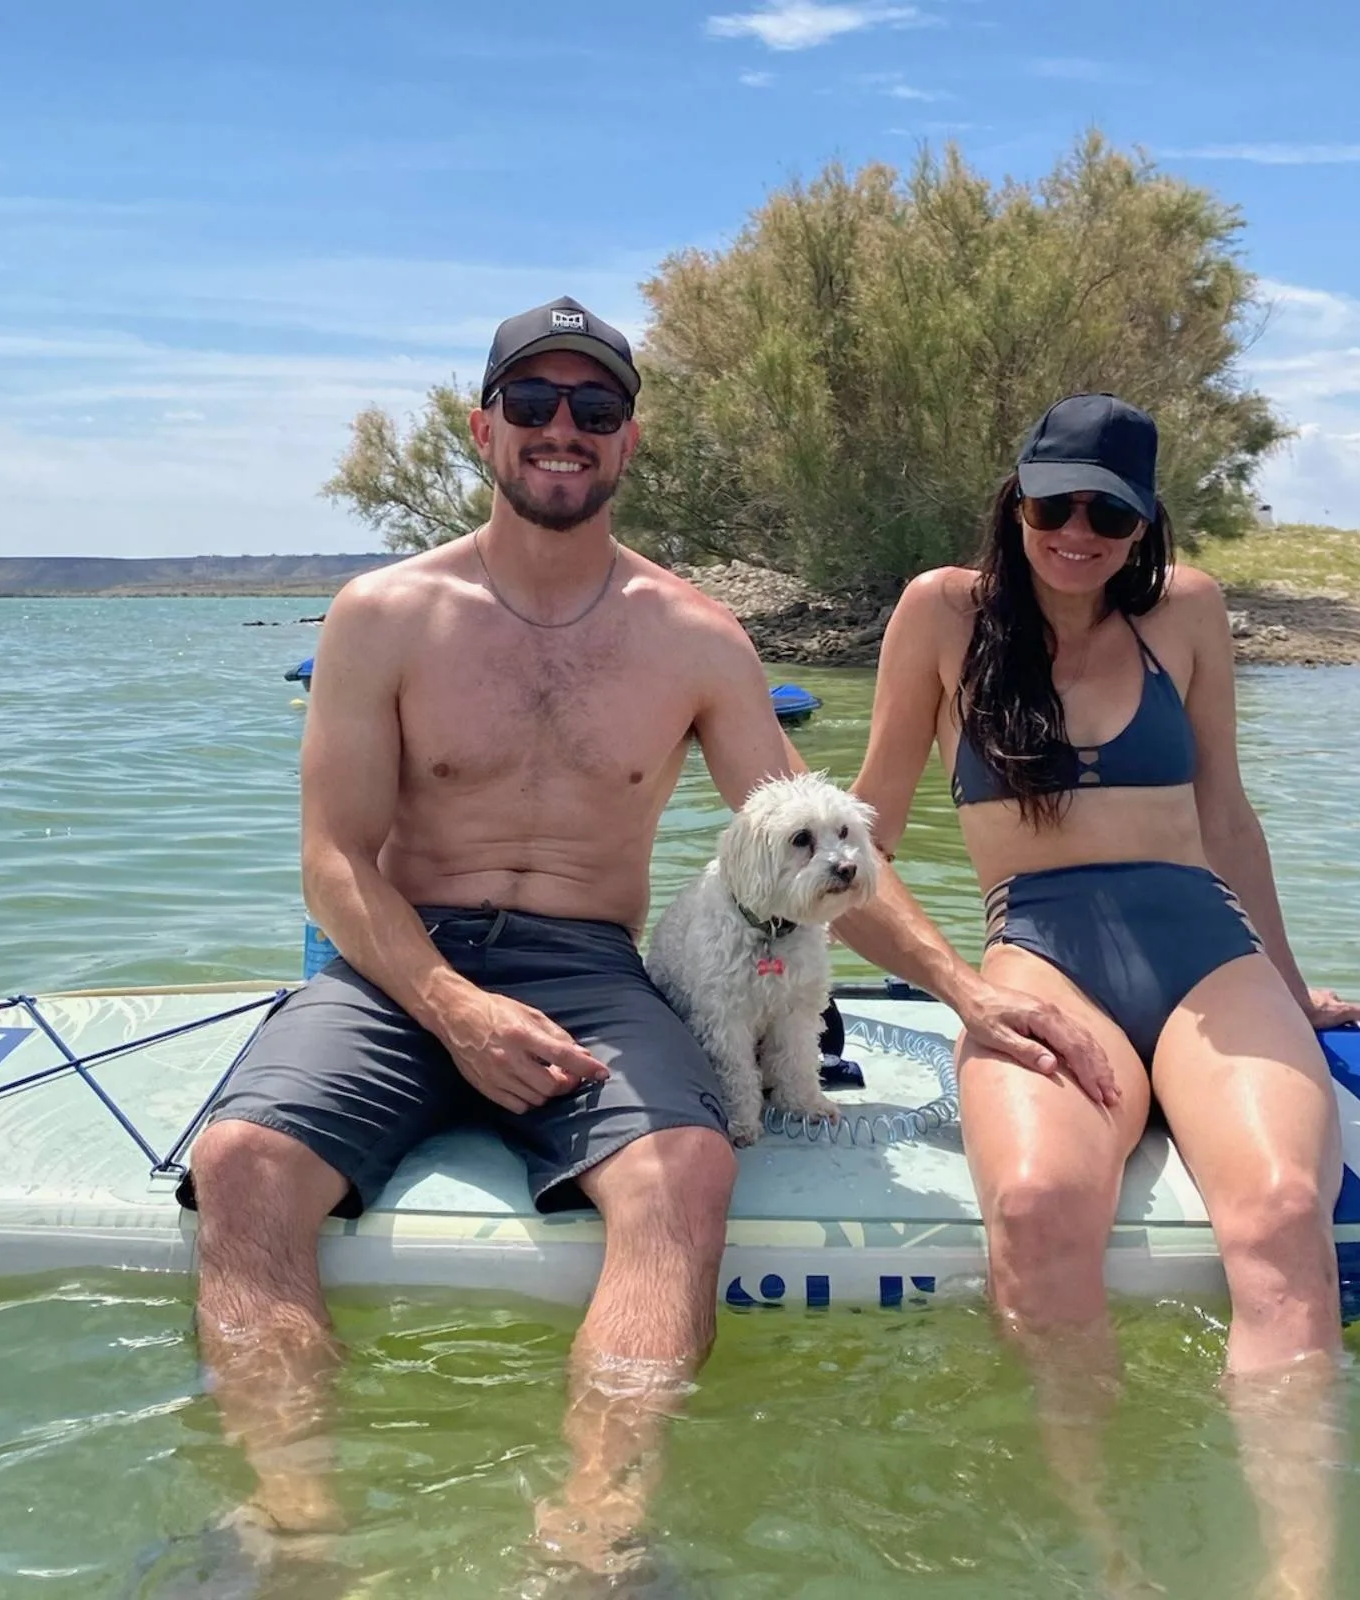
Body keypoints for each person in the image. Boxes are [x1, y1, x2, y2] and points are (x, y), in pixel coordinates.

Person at [177, 298, 1111, 1589]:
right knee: (240, 1163)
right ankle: (293, 1528)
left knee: (684, 1173)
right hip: (403, 961)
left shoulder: (693, 637)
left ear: (628, 440)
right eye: (533, 403)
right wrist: (453, 1007)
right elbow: (334, 860)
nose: (562, 428)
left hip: (585, 965)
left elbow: (816, 846)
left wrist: (965, 990)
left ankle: (594, 1535)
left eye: (596, 408)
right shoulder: (383, 613)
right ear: (483, 429)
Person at [851, 393, 1360, 1600]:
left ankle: (1298, 1577)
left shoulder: (1187, 610)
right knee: (1037, 1207)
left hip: (1203, 950)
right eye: (1055, 505)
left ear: (1145, 522)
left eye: (1109, 513)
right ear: (1016, 501)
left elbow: (1227, 818)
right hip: (1039, 958)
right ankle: (1111, 1558)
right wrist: (959, 991)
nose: (1077, 533)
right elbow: (858, 841)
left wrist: (1289, 986)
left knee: (1283, 1211)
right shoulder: (941, 613)